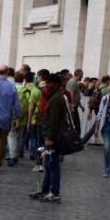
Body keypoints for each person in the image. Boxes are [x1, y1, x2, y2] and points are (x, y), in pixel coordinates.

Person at [31, 73, 69, 202]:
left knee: (53, 165)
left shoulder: (57, 98)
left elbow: (54, 120)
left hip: (53, 137)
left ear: (57, 84)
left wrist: (50, 138)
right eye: (46, 82)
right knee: (47, 164)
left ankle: (54, 192)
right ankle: (45, 190)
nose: (47, 85)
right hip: (50, 135)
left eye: (50, 83)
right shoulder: (53, 97)